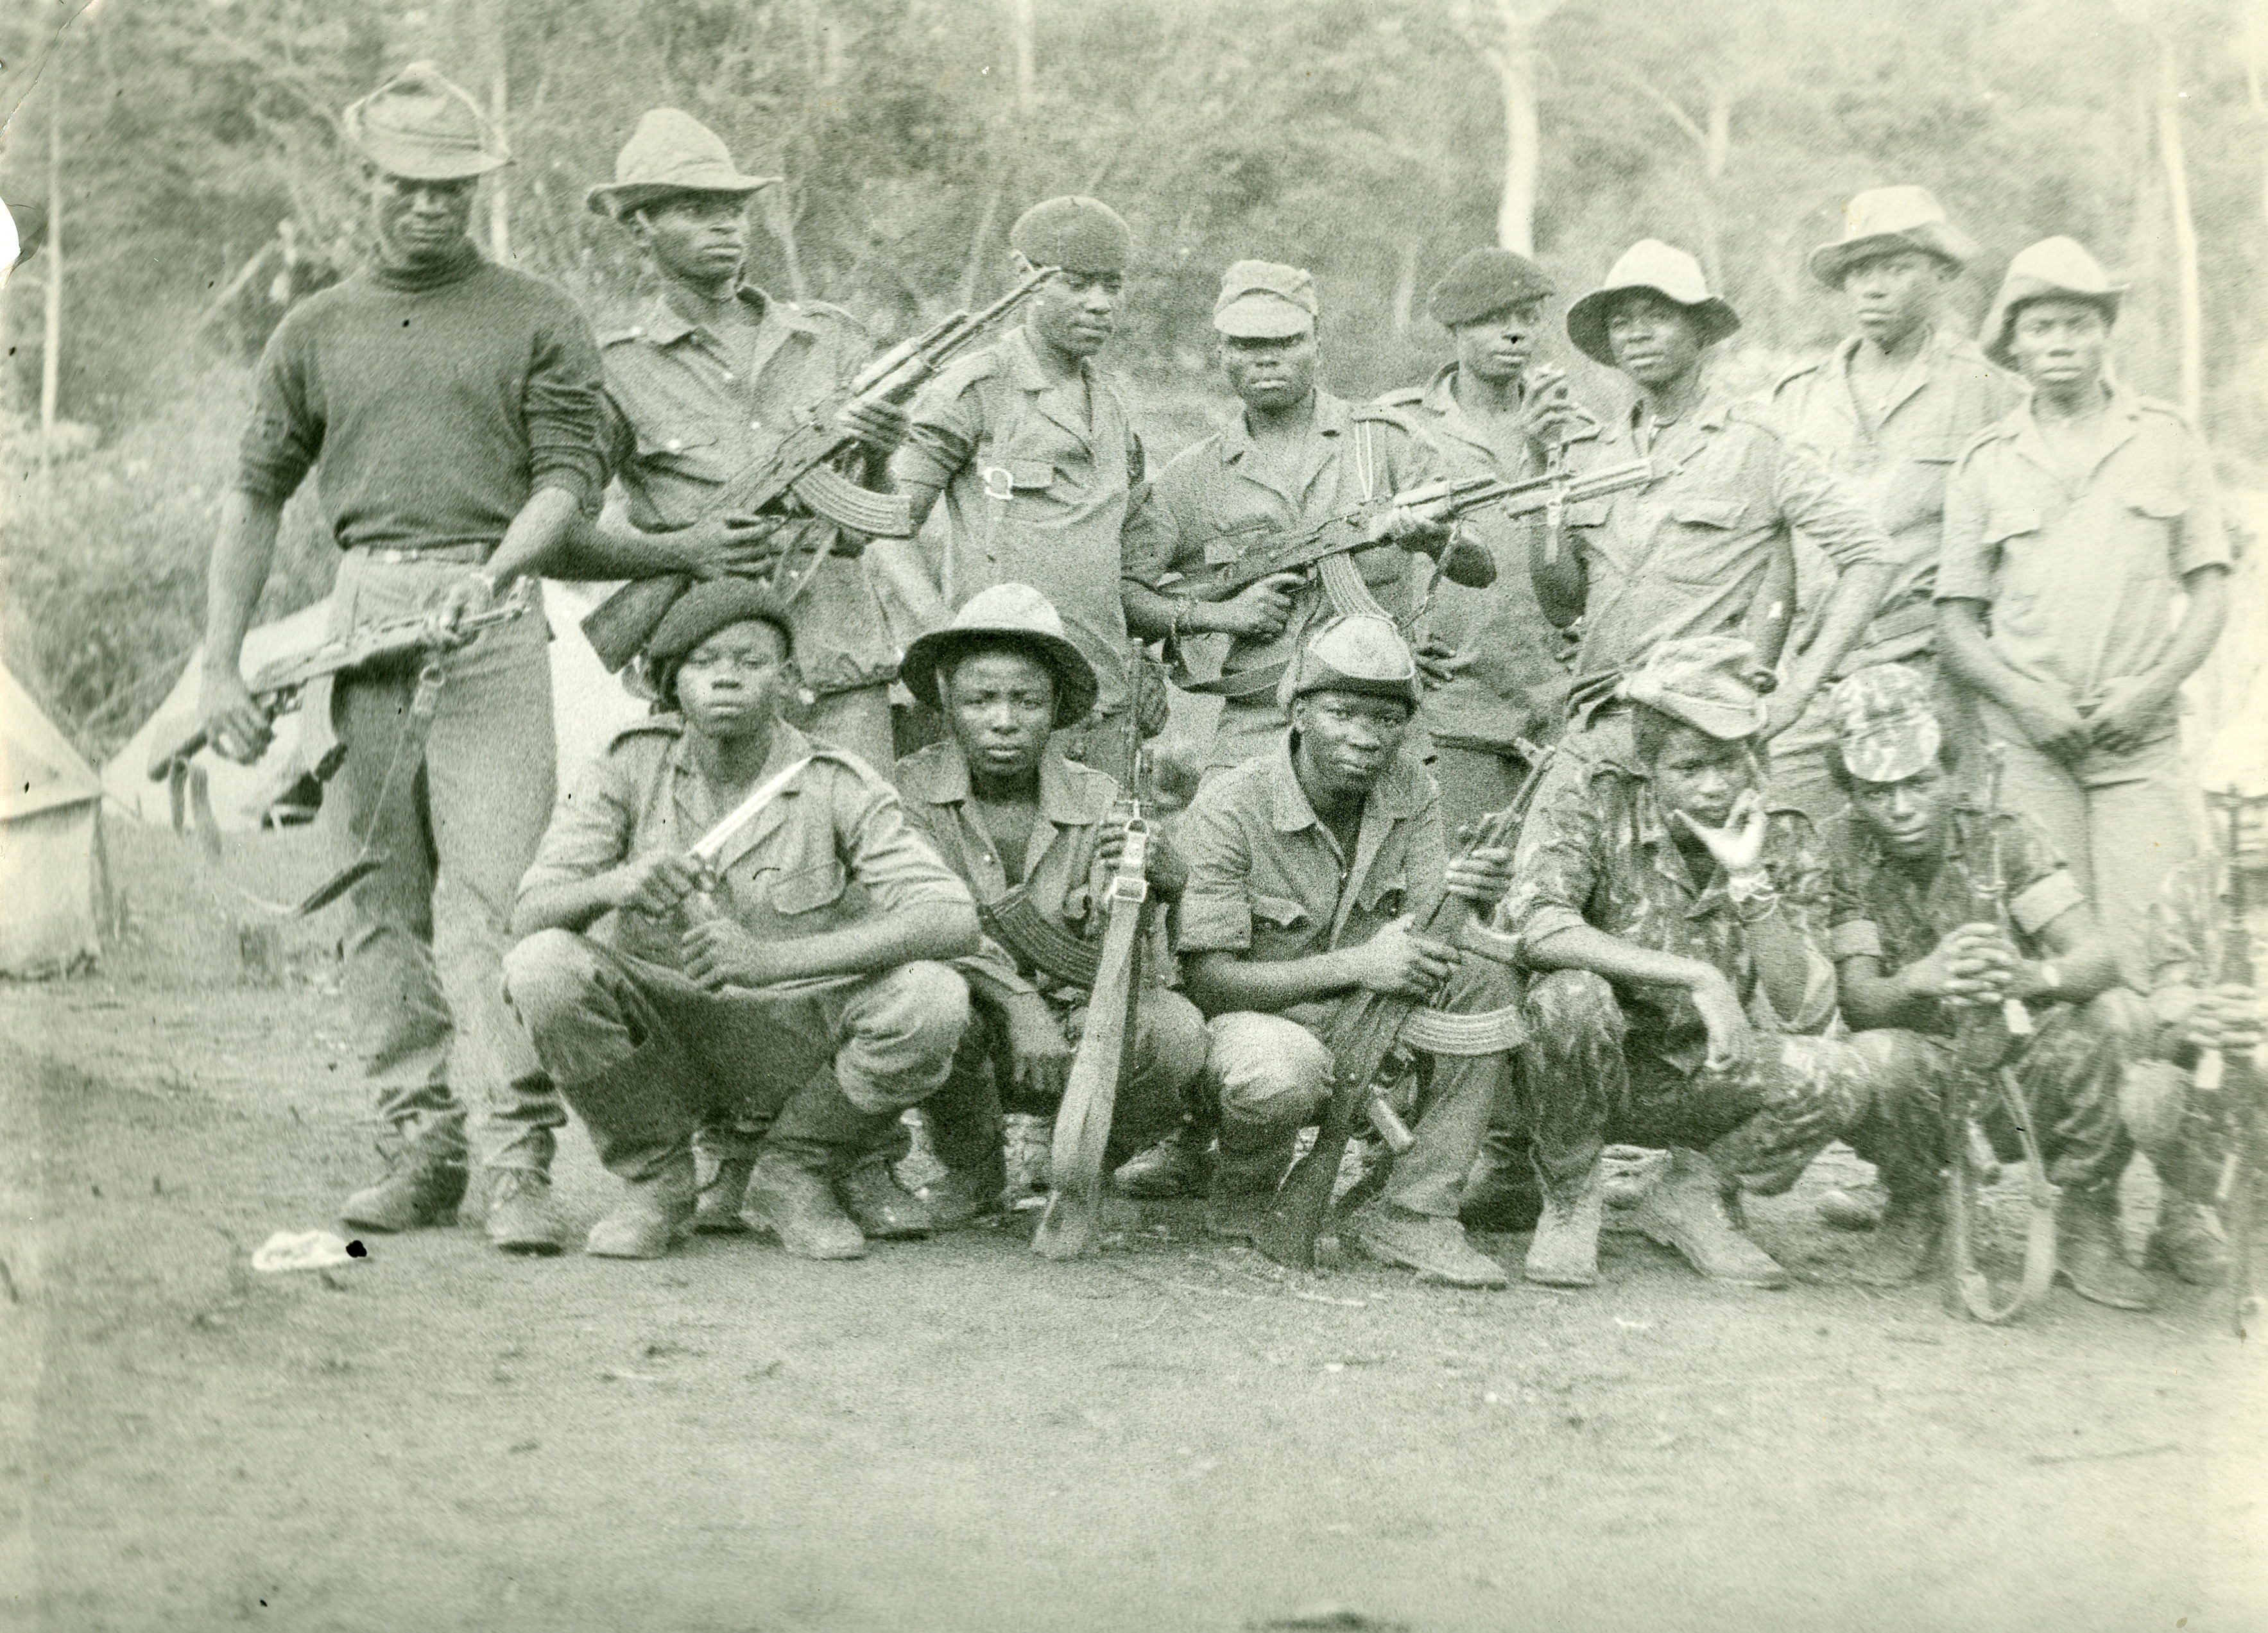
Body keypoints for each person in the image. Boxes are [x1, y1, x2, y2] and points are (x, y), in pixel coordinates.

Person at [196, 64, 605, 1254]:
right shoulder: (314, 327)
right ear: (366, 181)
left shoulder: (535, 312)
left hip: (491, 615)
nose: (431, 206)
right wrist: (221, 667)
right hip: (364, 619)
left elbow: (568, 477)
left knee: (499, 901)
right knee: (382, 905)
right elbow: (253, 497)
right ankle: (418, 1147)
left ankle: (517, 1162)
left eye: (454, 186)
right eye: (408, 184)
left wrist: (501, 572)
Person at [501, 581, 977, 1260]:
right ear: (671, 682)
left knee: (931, 996)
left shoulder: (837, 780)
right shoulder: (628, 765)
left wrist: (769, 961)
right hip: (664, 1037)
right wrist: (619, 882)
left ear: (787, 680)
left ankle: (793, 1173)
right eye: (704, 661)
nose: (726, 676)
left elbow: (952, 917)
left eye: (750, 661)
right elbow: (529, 914)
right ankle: (658, 1182)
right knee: (541, 965)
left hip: (793, 1035)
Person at [1502, 638, 1875, 1292]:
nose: (1713, 786)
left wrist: (1750, 881)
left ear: (1756, 760)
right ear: (1650, 766)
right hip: (1595, 1064)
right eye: (1689, 767)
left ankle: (1693, 1194)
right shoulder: (1594, 795)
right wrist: (1699, 976)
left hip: (1709, 1073)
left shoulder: (1784, 834)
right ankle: (1570, 1192)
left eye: (1730, 763)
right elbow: (1540, 925)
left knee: (1836, 1074)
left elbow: (1808, 1009)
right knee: (1571, 993)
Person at [1175, 615, 1524, 1289]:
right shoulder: (1229, 805)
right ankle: (1243, 1189)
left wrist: (1472, 892)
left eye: (1387, 719)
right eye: (1343, 713)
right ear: (1299, 712)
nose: (1367, 737)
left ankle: (1414, 1211)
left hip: (1367, 1009)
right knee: (1281, 1072)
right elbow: (1209, 982)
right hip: (1260, 1019)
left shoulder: (1410, 788)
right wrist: (1356, 967)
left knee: (1484, 982)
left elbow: (1430, 930)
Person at [576, 108, 912, 772]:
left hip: (838, 669)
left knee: (854, 859)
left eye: (733, 208)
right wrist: (684, 549)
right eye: (697, 209)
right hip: (710, 673)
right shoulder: (614, 370)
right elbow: (566, 537)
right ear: (641, 229)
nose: (725, 223)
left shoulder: (828, 339)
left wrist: (878, 451)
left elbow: (866, 525)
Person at [1937, 236, 2231, 985]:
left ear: (2105, 332)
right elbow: (1957, 626)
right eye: (2042, 327)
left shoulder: (2165, 436)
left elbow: (2209, 590)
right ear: (2015, 343)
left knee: (2160, 950)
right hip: (2031, 747)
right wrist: (2028, 701)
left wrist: (2148, 692)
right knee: (2059, 961)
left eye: (2078, 323)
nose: (2061, 343)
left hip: (2138, 740)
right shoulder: (1986, 459)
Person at [1817, 664, 2156, 1307]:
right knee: (1860, 1060)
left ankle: (2087, 1212)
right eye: (1875, 790)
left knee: (2112, 1019)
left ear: (1949, 771)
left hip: (2018, 1065)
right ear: (1853, 793)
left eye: (1919, 781)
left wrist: (2029, 976)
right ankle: (1914, 1200)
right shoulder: (1844, 850)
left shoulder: (2003, 836)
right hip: (1926, 1072)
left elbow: (2098, 957)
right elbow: (1859, 1000)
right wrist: (1923, 978)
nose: (1901, 807)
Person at [890, 584, 1209, 1222]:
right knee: (931, 998)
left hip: (1075, 1031)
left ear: (1057, 707)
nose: (1004, 719)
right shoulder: (909, 793)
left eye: (1027, 700)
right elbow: (912, 926)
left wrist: (1164, 880)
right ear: (948, 703)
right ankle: (974, 1170)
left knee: (1174, 1033)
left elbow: (1136, 959)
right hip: (970, 1028)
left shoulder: (1101, 798)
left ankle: (1087, 1163)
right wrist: (1016, 999)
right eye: (981, 699)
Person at [1534, 239, 1894, 804]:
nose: (1637, 333)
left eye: (1658, 316)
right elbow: (1561, 604)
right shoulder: (1586, 454)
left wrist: (1796, 692)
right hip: (1600, 731)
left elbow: (1870, 557)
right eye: (1622, 321)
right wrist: (1545, 477)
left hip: (1707, 745)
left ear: (1701, 332)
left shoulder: (1758, 441)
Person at [1126, 261, 1451, 778]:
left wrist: (1436, 539)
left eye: (1286, 340)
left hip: (1376, 724)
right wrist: (1220, 616)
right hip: (1257, 726)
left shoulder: (1381, 441)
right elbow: (1126, 594)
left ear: (1318, 344)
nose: (1267, 359)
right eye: (1247, 344)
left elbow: (1478, 565)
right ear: (1222, 354)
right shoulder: (1193, 476)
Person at [1767, 187, 2022, 826]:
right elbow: (1776, 556)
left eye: (1894, 268)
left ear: (1940, 273)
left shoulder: (1990, 393)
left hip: (1928, 673)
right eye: (1858, 272)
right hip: (1814, 674)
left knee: (1937, 857)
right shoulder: (1797, 399)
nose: (1872, 288)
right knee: (1796, 850)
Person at [893, 196, 1156, 762]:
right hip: (1001, 703)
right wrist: (946, 641)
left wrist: (1146, 659)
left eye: (1112, 286)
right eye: (1079, 284)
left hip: (1102, 694)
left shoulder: (1111, 407)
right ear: (1023, 276)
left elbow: (1130, 551)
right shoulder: (975, 388)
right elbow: (887, 530)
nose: (1100, 304)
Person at [1374, 248, 1591, 835]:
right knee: (1445, 888)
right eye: (1494, 318)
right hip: (1446, 712)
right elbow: (1354, 551)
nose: (1516, 333)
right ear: (1455, 327)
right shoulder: (1394, 427)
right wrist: (1385, 641)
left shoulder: (1581, 432)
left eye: (1527, 316)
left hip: (1554, 706)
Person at [2125, 855, 2262, 1286]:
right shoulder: (2190, 884)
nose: (2250, 819)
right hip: (2223, 1069)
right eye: (2224, 802)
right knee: (2153, 1091)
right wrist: (2198, 1017)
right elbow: (2171, 998)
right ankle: (2187, 1208)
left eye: (2264, 802)